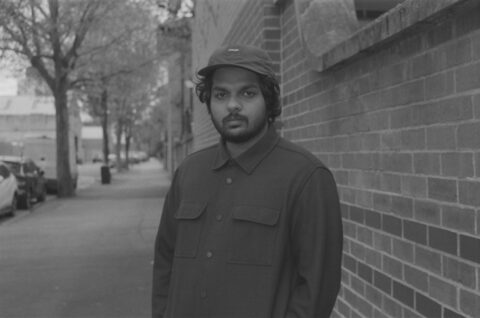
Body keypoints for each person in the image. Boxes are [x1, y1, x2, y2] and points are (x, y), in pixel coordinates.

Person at [152, 44, 343, 318]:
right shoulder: (188, 172)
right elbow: (164, 265)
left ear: (268, 99)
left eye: (247, 93)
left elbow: (316, 289)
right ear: (208, 101)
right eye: (221, 94)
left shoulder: (306, 177)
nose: (232, 105)